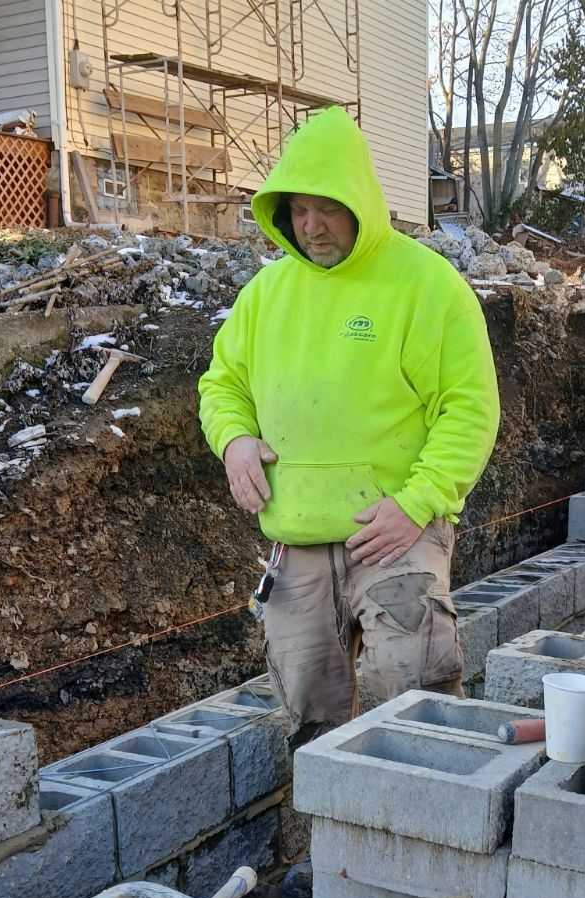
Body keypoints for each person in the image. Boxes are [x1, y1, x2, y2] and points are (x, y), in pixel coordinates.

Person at [199, 107, 499, 749]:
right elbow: (222, 382)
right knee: (311, 707)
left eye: (328, 209)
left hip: (394, 532)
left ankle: (435, 828)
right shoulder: (266, 295)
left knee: (412, 687)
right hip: (299, 536)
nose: (311, 226)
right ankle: (339, 840)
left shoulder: (425, 287)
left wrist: (416, 505)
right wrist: (235, 440)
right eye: (299, 210)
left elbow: (469, 408)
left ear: (360, 202)